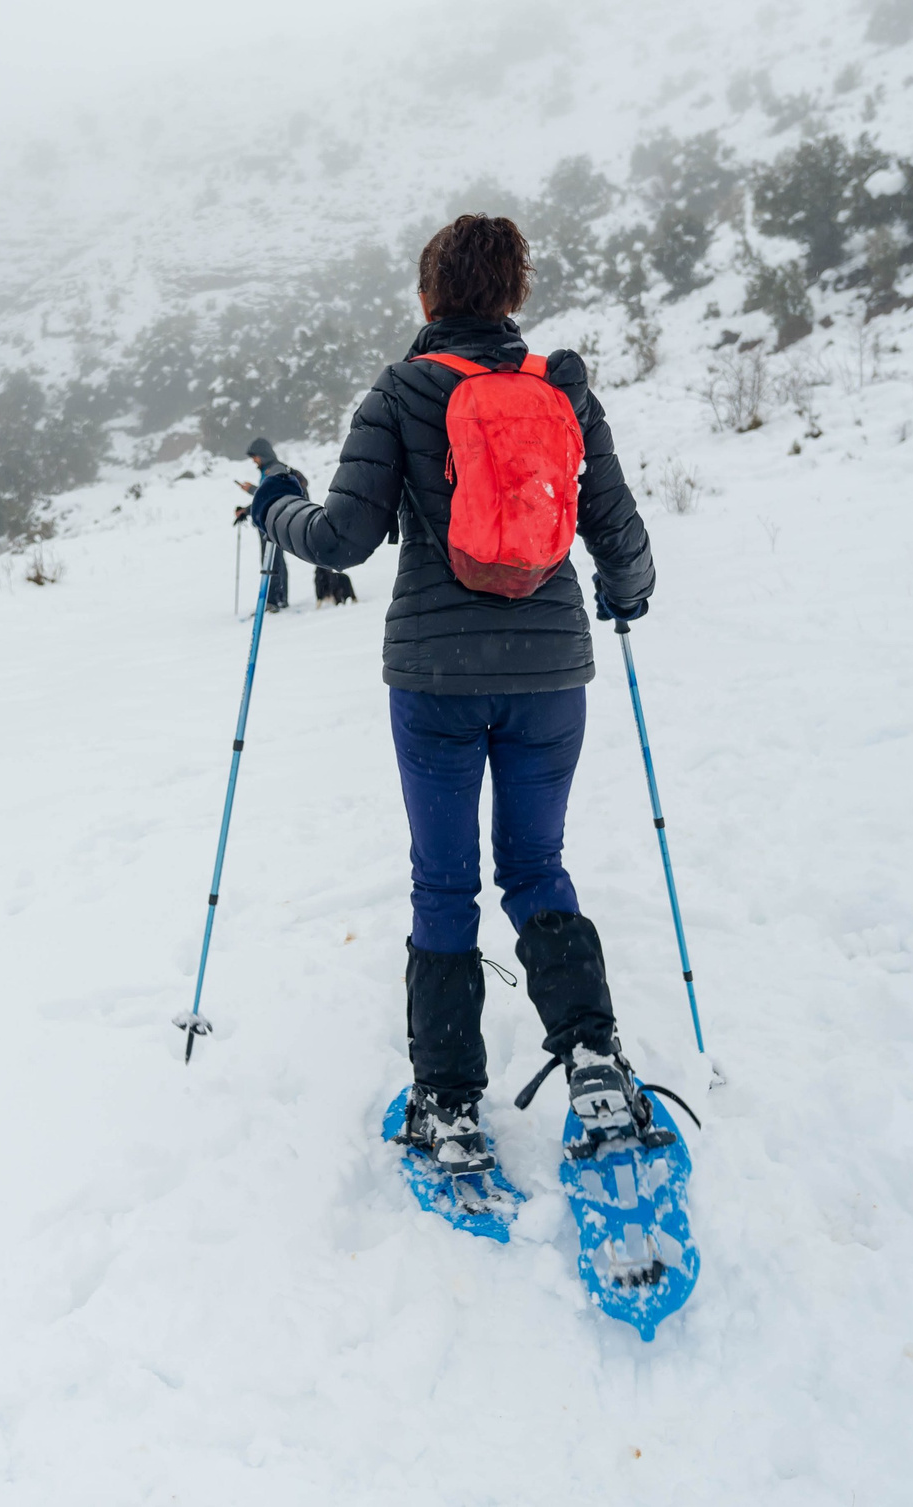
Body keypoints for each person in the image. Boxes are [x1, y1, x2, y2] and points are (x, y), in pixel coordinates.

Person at [247, 213, 658, 1177]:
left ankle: (448, 1105)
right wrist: (625, 596)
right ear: (512, 293)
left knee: (446, 881)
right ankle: (595, 1060)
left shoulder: (401, 390)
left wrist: (278, 510)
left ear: (430, 298)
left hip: (435, 677)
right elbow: (620, 529)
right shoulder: (562, 390)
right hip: (552, 672)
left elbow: (343, 538)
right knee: (536, 865)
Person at [231, 438, 303, 612]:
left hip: (273, 524)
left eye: (255, 456)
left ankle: (274, 601)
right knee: (273, 560)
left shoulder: (275, 469)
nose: (254, 460)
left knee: (271, 561)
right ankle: (278, 599)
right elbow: (266, 498)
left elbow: (273, 494)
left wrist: (251, 491)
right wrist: (247, 511)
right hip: (271, 522)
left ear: (263, 454)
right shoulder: (269, 470)